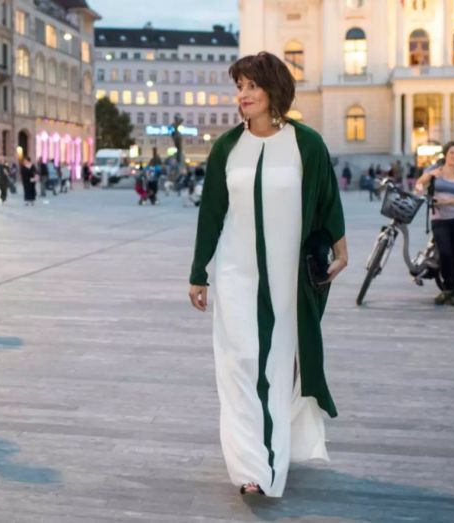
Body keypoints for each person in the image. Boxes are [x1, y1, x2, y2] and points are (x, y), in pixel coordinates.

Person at [188, 52, 347, 498]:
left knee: (275, 370)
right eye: (239, 86)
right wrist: (199, 272)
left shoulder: (306, 144)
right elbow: (212, 213)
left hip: (286, 281)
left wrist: (340, 243)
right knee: (238, 367)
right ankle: (249, 466)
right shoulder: (227, 147)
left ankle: (268, 463)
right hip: (236, 275)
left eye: (252, 86)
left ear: (274, 90)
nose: (243, 95)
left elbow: (327, 200)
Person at [414, 142, 454, 305]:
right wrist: (427, 179)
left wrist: (447, 202)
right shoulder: (436, 169)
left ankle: (450, 291)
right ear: (445, 154)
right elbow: (419, 183)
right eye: (452, 152)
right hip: (439, 218)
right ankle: (448, 289)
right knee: (445, 252)